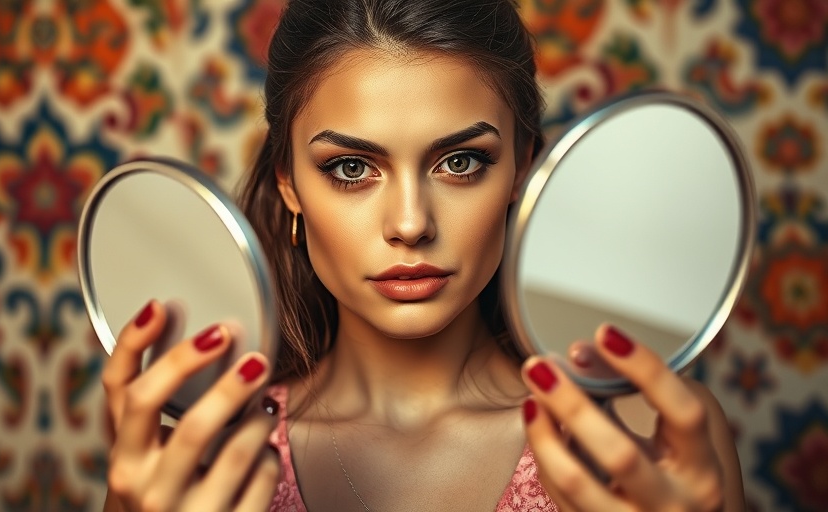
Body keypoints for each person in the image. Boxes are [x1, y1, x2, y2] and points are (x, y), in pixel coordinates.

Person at [100, 0, 745, 510]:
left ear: (521, 168)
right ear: (288, 183)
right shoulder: (192, 463)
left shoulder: (649, 442)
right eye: (351, 168)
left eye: (460, 162)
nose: (410, 224)